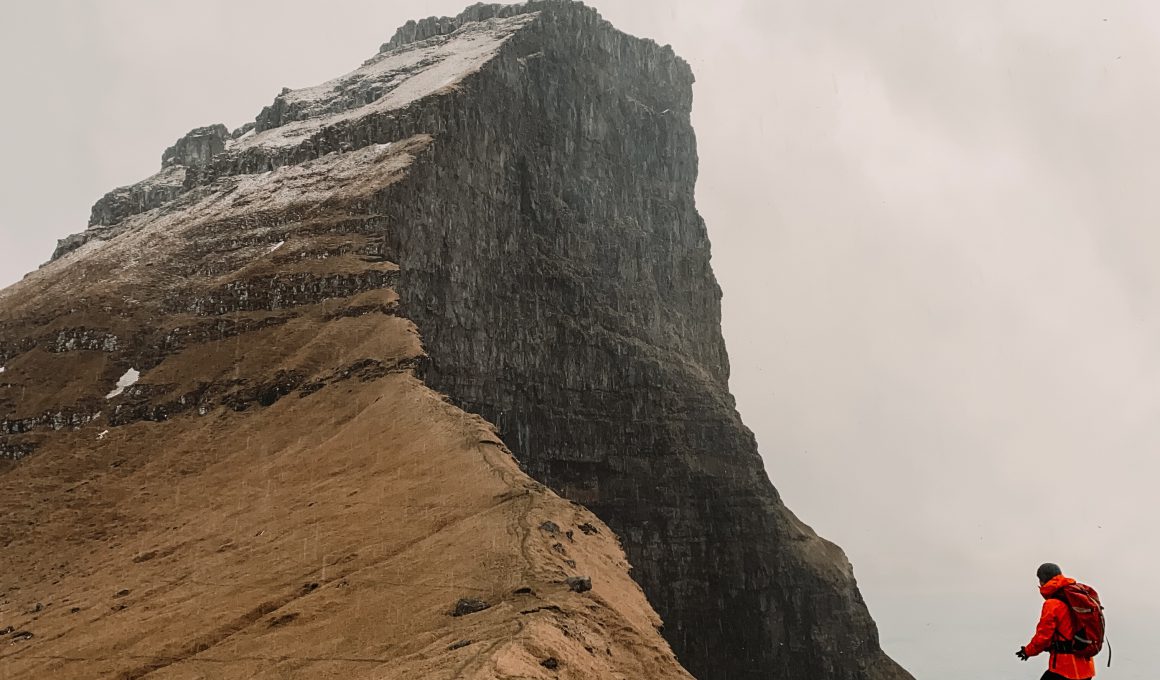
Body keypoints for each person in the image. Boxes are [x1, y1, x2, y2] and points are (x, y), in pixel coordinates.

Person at [1016, 562, 1096, 680]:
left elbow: (1043, 637)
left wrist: (1027, 651)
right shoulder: (1077, 596)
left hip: (1065, 668)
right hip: (1086, 666)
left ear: (1043, 581)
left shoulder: (1052, 604)